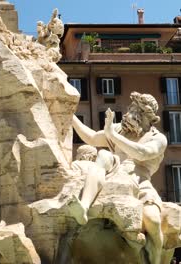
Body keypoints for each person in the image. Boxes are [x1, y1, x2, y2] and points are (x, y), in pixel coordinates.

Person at [69, 92, 167, 264]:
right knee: (104, 155)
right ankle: (83, 207)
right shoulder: (120, 129)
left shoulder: (158, 138)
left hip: (140, 182)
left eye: (134, 109)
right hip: (115, 170)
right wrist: (69, 114)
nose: (128, 112)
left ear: (144, 115)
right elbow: (91, 137)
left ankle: (157, 255)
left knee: (152, 219)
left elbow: (142, 153)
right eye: (130, 108)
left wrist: (113, 135)